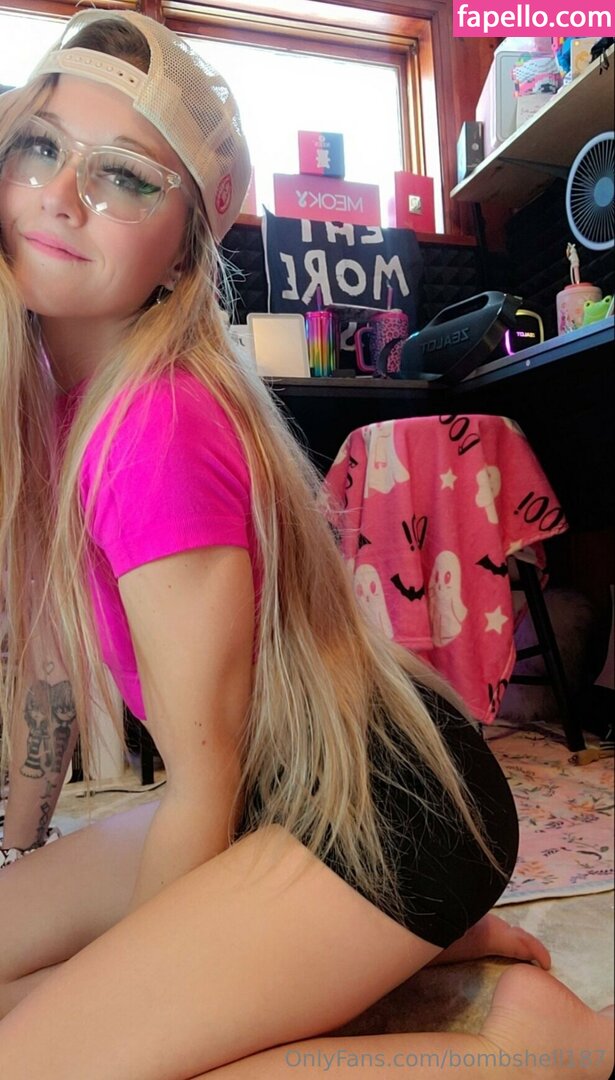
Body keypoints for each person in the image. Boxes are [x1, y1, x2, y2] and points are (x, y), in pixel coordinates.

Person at [0, 11, 612, 1079]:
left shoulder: (148, 427)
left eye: (126, 177)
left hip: (385, 808)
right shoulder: (56, 404)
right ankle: (392, 974)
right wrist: (20, 847)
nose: (60, 194)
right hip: (276, 791)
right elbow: (50, 673)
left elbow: (202, 782)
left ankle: (534, 1042)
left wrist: (129, 996)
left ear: (184, 247)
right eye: (38, 146)